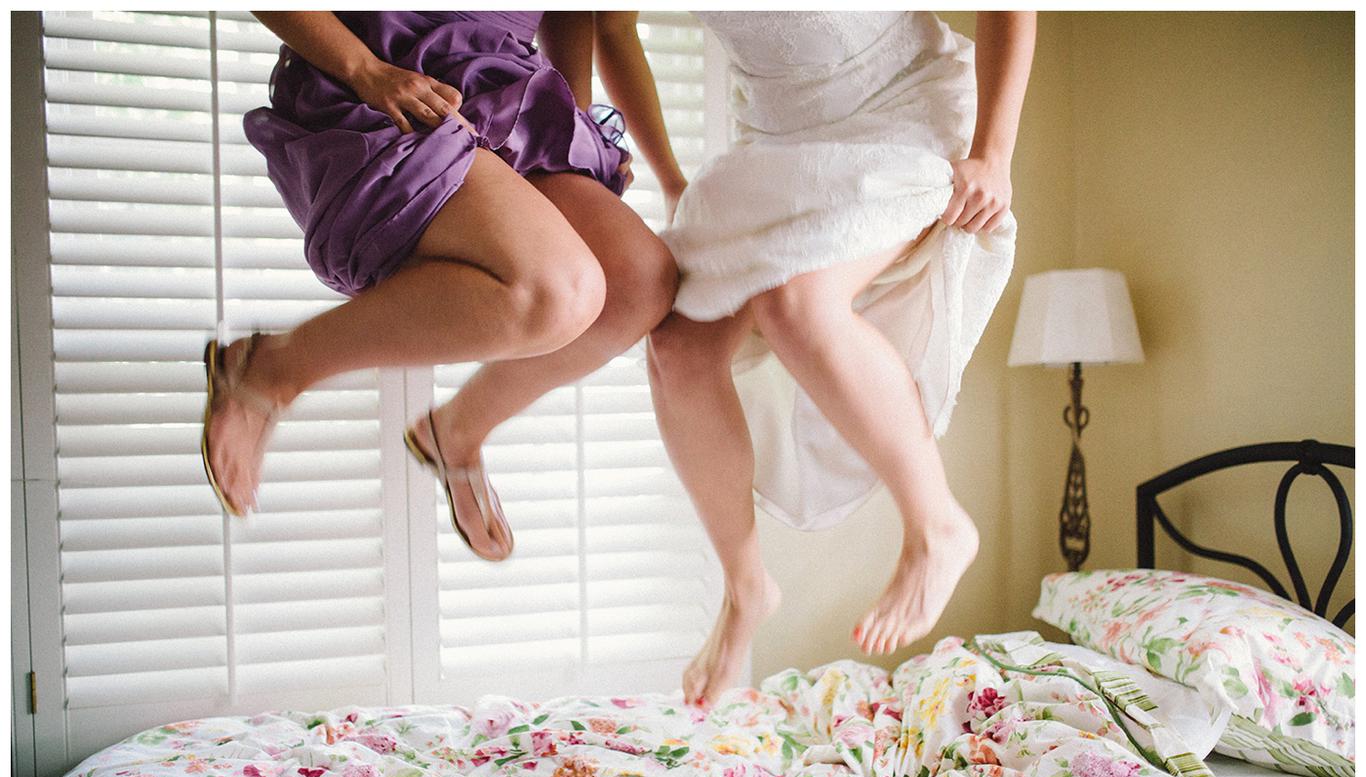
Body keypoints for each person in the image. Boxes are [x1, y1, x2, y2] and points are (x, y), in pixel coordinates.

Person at [637, 12, 1036, 705]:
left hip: (902, 111)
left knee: (796, 302)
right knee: (677, 344)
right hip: (772, 144)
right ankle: (746, 585)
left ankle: (938, 524)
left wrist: (994, 154)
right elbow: (604, 25)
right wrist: (669, 175)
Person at [203, 11, 686, 562]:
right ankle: (272, 368)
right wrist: (364, 69)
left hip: (507, 87)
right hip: (385, 74)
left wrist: (573, 122)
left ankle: (457, 432)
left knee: (640, 282)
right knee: (557, 292)